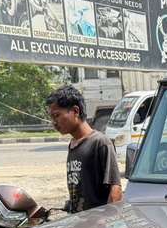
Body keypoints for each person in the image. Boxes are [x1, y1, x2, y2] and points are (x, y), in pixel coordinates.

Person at [46, 85, 122, 214]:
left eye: (57, 115)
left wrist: (106, 222)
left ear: (75, 111)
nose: (54, 122)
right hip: (80, 225)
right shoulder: (73, 144)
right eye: (52, 117)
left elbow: (115, 190)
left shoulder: (100, 142)